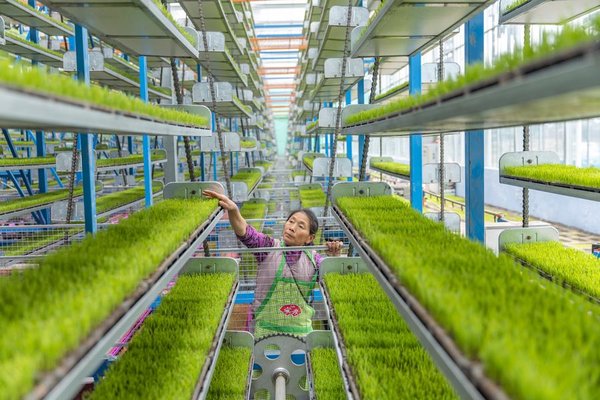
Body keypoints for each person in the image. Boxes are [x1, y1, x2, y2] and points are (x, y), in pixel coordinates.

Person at [203, 190, 343, 339]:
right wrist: (233, 210)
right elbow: (246, 232)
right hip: (265, 332)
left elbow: (333, 277)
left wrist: (335, 257)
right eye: (291, 221)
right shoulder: (268, 247)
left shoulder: (315, 260)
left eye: (300, 226)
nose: (292, 227)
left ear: (310, 237)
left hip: (301, 333)